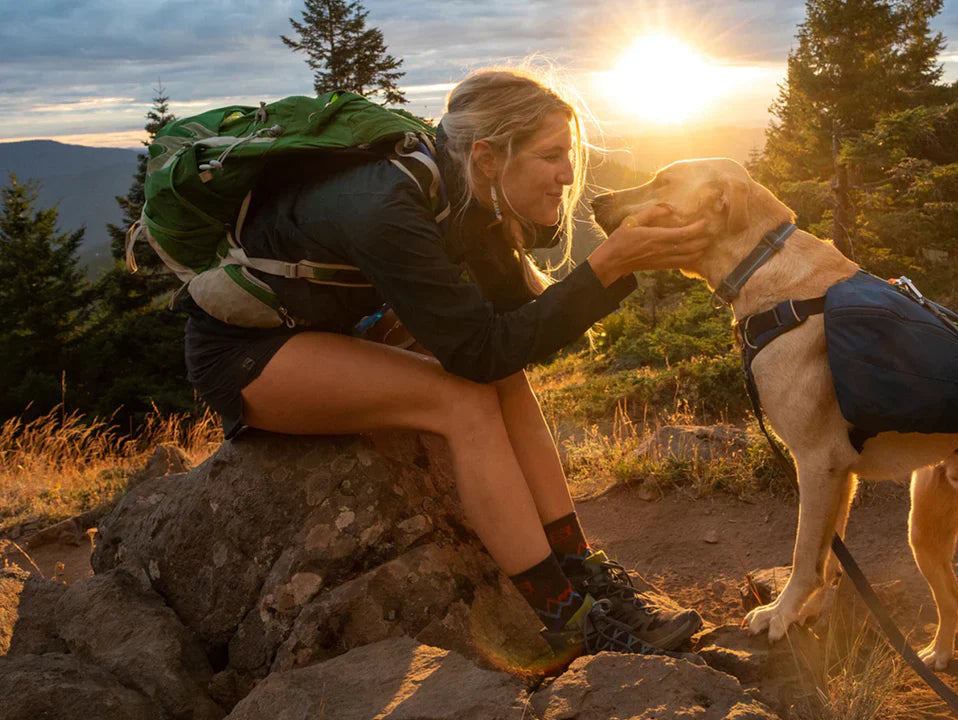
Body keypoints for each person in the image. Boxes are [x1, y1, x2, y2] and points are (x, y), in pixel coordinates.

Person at [180, 67, 711, 669]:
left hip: (328, 335)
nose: (568, 173)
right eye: (552, 155)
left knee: (501, 378)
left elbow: (513, 332)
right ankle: (569, 622)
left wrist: (618, 259)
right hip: (248, 356)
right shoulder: (386, 206)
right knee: (464, 401)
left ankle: (585, 573)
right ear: (487, 156)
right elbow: (477, 354)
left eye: (571, 153)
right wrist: (606, 269)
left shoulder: (469, 194)